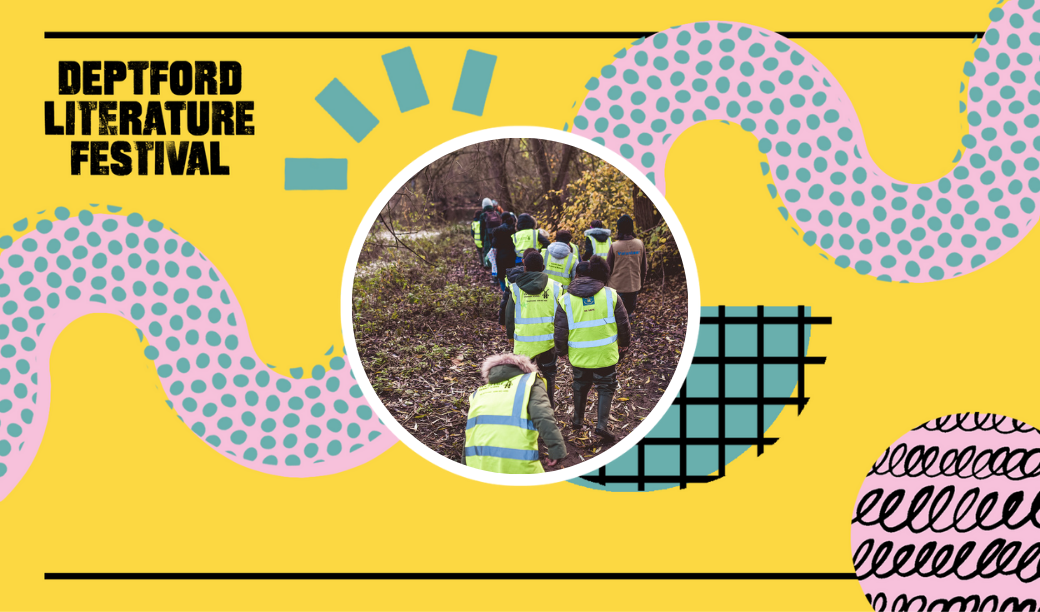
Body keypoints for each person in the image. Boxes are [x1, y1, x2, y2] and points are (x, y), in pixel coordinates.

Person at [554, 255, 631, 441]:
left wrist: (561, 351)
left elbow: (560, 330)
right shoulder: (611, 294)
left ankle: (577, 420)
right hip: (605, 353)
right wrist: (624, 343)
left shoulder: (565, 300)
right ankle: (601, 425)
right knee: (606, 386)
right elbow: (623, 323)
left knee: (580, 385)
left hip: (579, 354)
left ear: (577, 276)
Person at [464, 353, 567, 473]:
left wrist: (463, 462)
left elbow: (470, 432)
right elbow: (543, 416)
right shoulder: (528, 382)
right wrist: (556, 449)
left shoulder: (479, 393)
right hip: (517, 462)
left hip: (478, 463)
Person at [500, 250, 563, 409]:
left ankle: (526, 407)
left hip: (523, 343)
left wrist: (510, 337)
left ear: (524, 267)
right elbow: (562, 316)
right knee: (549, 374)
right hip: (548, 342)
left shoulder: (515, 288)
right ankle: (548, 405)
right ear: (543, 267)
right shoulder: (556, 287)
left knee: (523, 376)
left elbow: (509, 316)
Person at [606, 214, 648, 317]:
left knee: (617, 315)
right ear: (631, 228)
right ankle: (627, 331)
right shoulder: (639, 244)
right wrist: (641, 284)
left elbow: (608, 269)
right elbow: (644, 268)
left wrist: (604, 285)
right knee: (628, 313)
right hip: (634, 286)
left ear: (619, 229)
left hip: (616, 287)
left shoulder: (614, 246)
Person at [491, 212, 518, 291]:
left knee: (502, 277)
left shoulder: (498, 231)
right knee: (512, 276)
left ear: (501, 219)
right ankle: (513, 293)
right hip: (513, 256)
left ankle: (505, 294)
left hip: (501, 257)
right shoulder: (515, 229)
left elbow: (494, 244)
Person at [479, 199, 501, 271]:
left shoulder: (483, 215)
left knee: (490, 254)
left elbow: (481, 229)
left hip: (488, 238)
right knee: (498, 253)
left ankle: (493, 271)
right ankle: (499, 270)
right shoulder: (497, 213)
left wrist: (482, 240)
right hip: (498, 237)